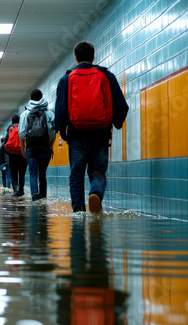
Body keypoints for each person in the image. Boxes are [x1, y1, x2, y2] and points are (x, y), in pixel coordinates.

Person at [54, 41, 128, 213]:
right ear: (94, 57)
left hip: (76, 134)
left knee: (76, 175)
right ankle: (95, 194)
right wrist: (114, 124)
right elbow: (121, 106)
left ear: (75, 58)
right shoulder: (107, 76)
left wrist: (62, 131)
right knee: (98, 172)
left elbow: (60, 110)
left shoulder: (65, 79)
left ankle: (79, 210)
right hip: (101, 133)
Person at [19, 88, 56, 201]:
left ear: (31, 99)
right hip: (45, 148)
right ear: (41, 98)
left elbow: (21, 133)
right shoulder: (49, 113)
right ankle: (43, 196)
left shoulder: (25, 114)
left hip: (31, 147)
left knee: (33, 173)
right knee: (42, 173)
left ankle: (35, 196)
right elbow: (53, 133)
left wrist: (23, 148)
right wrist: (50, 146)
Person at [5, 114, 28, 197]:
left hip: (12, 156)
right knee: (22, 174)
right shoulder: (23, 127)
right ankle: (21, 191)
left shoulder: (9, 129)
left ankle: (15, 191)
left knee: (14, 175)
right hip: (23, 155)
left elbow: (6, 143)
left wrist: (9, 153)